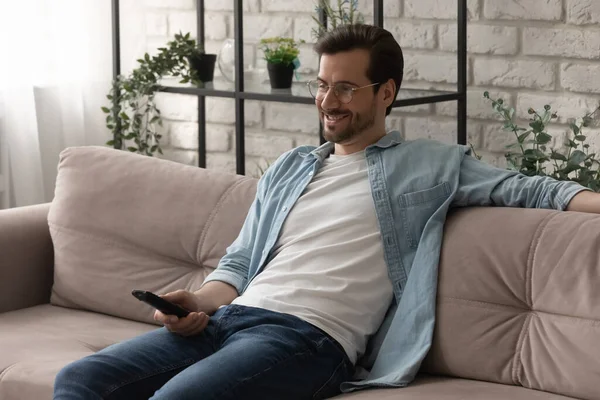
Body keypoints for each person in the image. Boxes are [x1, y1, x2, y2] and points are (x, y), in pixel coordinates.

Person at [53, 23, 598, 400]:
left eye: (345, 88)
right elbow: (240, 264)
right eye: (321, 85)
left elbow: (535, 191)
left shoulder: (431, 164)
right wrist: (194, 302)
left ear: (386, 93)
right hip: (226, 322)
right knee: (83, 379)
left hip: (308, 339)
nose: (327, 101)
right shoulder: (292, 167)